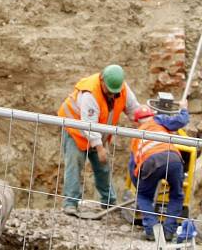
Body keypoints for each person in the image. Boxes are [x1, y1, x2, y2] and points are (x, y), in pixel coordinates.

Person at [57, 64, 140, 216]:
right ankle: (70, 203)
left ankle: (109, 202)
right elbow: (89, 125)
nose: (111, 95)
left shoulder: (121, 90)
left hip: (97, 133)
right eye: (109, 91)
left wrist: (144, 123)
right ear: (102, 81)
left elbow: (134, 110)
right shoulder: (90, 93)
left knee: (103, 167)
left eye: (115, 93)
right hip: (76, 131)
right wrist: (100, 148)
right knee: (74, 164)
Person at [129, 99, 189, 242]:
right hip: (174, 159)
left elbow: (133, 167)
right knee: (176, 195)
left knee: (143, 196)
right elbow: (181, 121)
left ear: (137, 122)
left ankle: (152, 231)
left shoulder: (136, 137)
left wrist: (140, 187)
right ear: (152, 114)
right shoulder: (158, 120)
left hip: (150, 162)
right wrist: (184, 109)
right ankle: (168, 232)